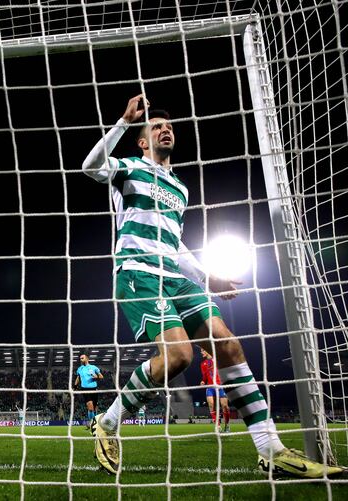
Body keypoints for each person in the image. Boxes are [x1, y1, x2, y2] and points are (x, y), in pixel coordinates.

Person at [82, 94, 345, 479]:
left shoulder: (179, 189)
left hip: (174, 275)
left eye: (168, 126)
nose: (165, 129)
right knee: (179, 358)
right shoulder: (129, 168)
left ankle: (269, 447)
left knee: (228, 343)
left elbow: (177, 244)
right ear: (142, 140)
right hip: (138, 273)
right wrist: (123, 121)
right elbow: (90, 167)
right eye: (155, 127)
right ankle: (108, 422)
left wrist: (207, 277)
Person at [199, 347, 230, 432]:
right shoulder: (203, 364)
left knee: (225, 406)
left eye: (202, 350)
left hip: (221, 386)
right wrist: (202, 381)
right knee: (211, 405)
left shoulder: (218, 360)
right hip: (210, 387)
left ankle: (227, 425)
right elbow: (205, 376)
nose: (201, 352)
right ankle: (218, 426)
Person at [74, 353, 104, 428]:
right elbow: (78, 378)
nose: (81, 360)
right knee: (90, 407)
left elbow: (101, 377)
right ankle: (93, 424)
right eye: (80, 358)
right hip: (85, 389)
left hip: (94, 389)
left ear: (87, 359)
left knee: (94, 409)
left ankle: (91, 422)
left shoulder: (93, 367)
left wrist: (95, 377)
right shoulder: (80, 369)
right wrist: (75, 386)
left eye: (82, 358)